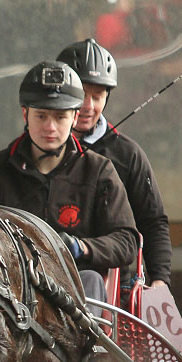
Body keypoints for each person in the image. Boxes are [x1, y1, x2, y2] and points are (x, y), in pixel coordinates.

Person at [0, 60, 139, 309]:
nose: (50, 127)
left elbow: (127, 241)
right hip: (11, 291)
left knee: (91, 279)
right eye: (41, 116)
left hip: (77, 287)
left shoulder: (99, 171)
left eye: (60, 117)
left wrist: (80, 247)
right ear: (25, 114)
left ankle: (81, 348)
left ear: (75, 117)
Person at [56, 39, 172, 289]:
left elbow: (153, 221)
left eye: (97, 96)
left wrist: (160, 280)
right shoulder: (37, 151)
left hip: (112, 287)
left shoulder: (128, 155)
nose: (88, 106)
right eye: (81, 95)